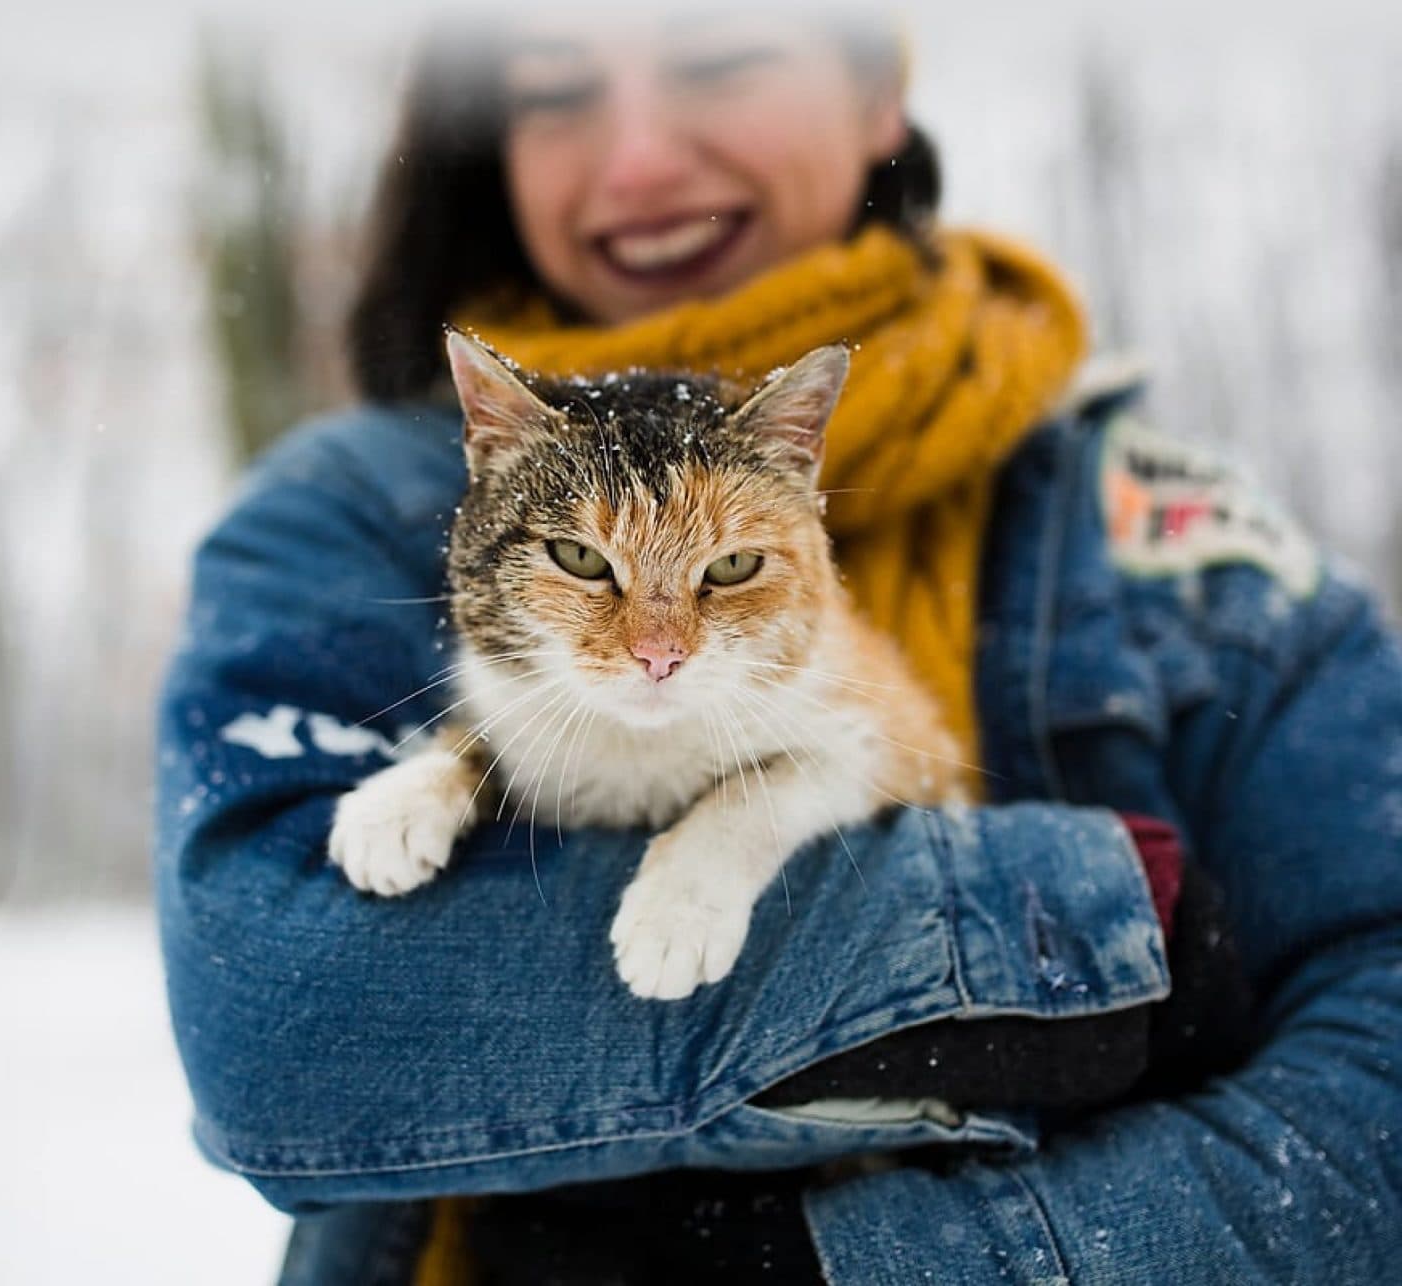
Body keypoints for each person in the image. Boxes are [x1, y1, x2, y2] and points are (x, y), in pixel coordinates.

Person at [152, 14, 1402, 1285]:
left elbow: (1382, 1073)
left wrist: (849, 1262)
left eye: (716, 58)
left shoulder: (1188, 555)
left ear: (876, 92)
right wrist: (1082, 936)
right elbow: (278, 1017)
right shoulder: (346, 503)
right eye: (556, 91)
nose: (637, 158)